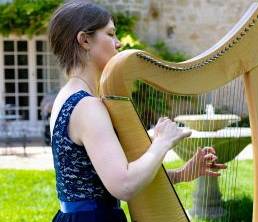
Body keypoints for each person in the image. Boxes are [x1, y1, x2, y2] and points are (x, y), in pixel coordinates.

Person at [48, 1, 227, 221]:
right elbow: (124, 185)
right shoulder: (87, 107)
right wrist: (162, 142)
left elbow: (98, 181)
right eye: (110, 34)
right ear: (85, 40)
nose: (118, 43)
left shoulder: (66, 97)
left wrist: (182, 174)